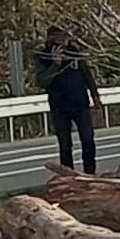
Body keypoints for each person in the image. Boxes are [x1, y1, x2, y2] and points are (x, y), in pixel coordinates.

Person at [43, 33, 100, 177]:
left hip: (80, 103)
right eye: (60, 39)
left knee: (88, 139)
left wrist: (94, 95)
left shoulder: (74, 52)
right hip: (59, 107)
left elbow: (86, 74)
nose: (64, 42)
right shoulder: (44, 56)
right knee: (65, 144)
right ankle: (68, 176)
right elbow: (42, 81)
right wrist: (55, 64)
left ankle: (90, 173)